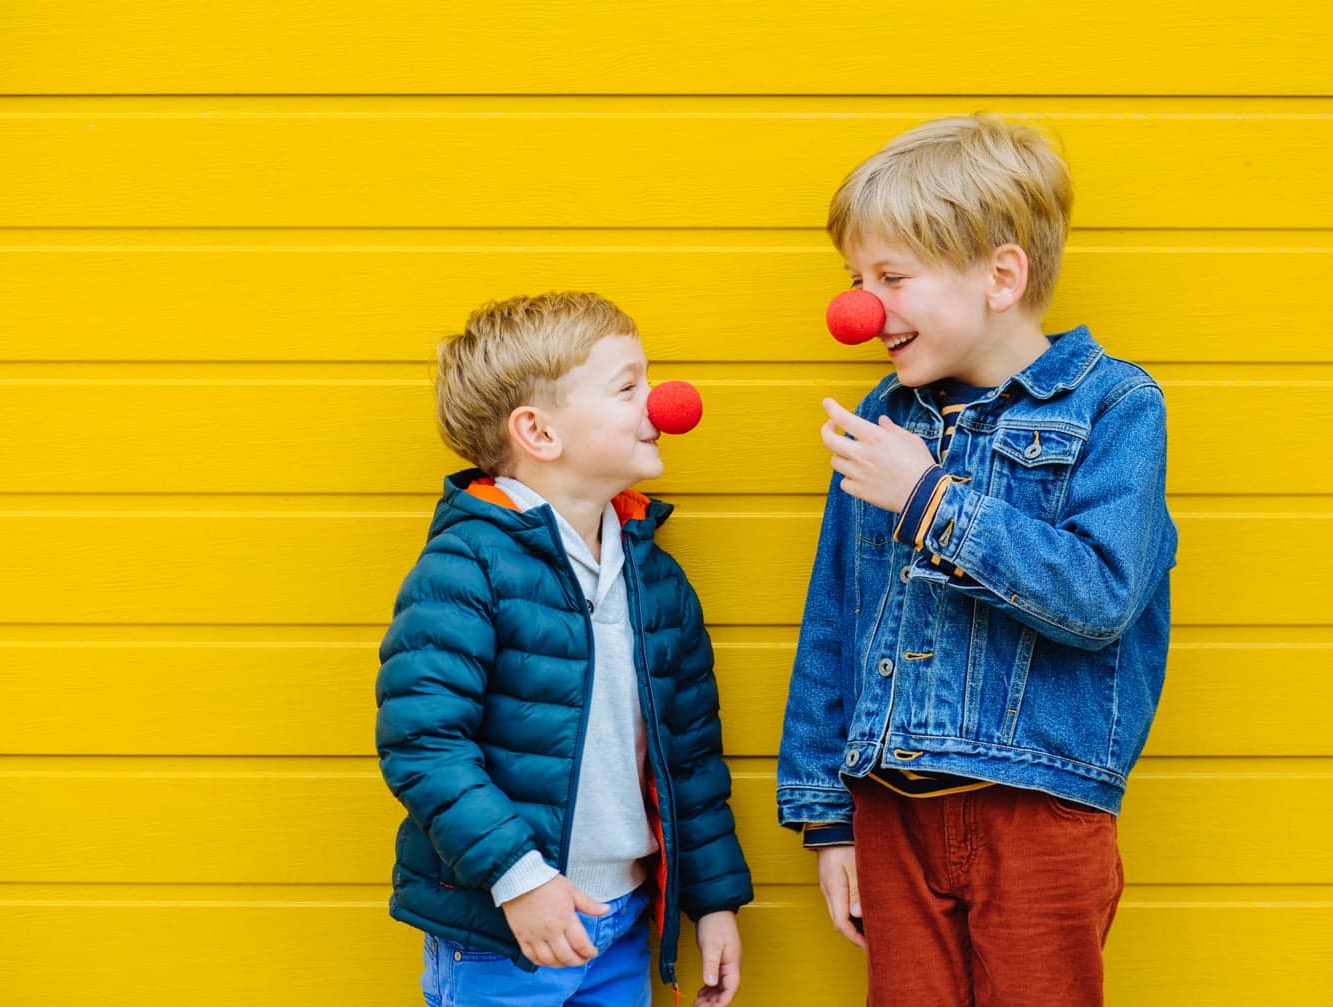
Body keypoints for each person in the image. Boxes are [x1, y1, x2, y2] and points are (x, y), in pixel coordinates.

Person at [776, 113, 1179, 1006]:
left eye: (891, 277)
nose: (862, 308)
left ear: (1000, 274)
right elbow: (834, 617)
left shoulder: (1114, 407)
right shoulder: (884, 414)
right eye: (855, 279)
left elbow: (1100, 595)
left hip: (1038, 806)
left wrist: (930, 501)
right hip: (890, 808)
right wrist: (825, 818)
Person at [377, 291, 752, 1007]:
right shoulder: (467, 566)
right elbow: (423, 743)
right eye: (627, 386)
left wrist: (712, 904)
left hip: (623, 921)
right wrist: (521, 879)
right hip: (506, 931)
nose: (664, 401)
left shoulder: (656, 577)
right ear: (539, 432)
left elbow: (692, 757)